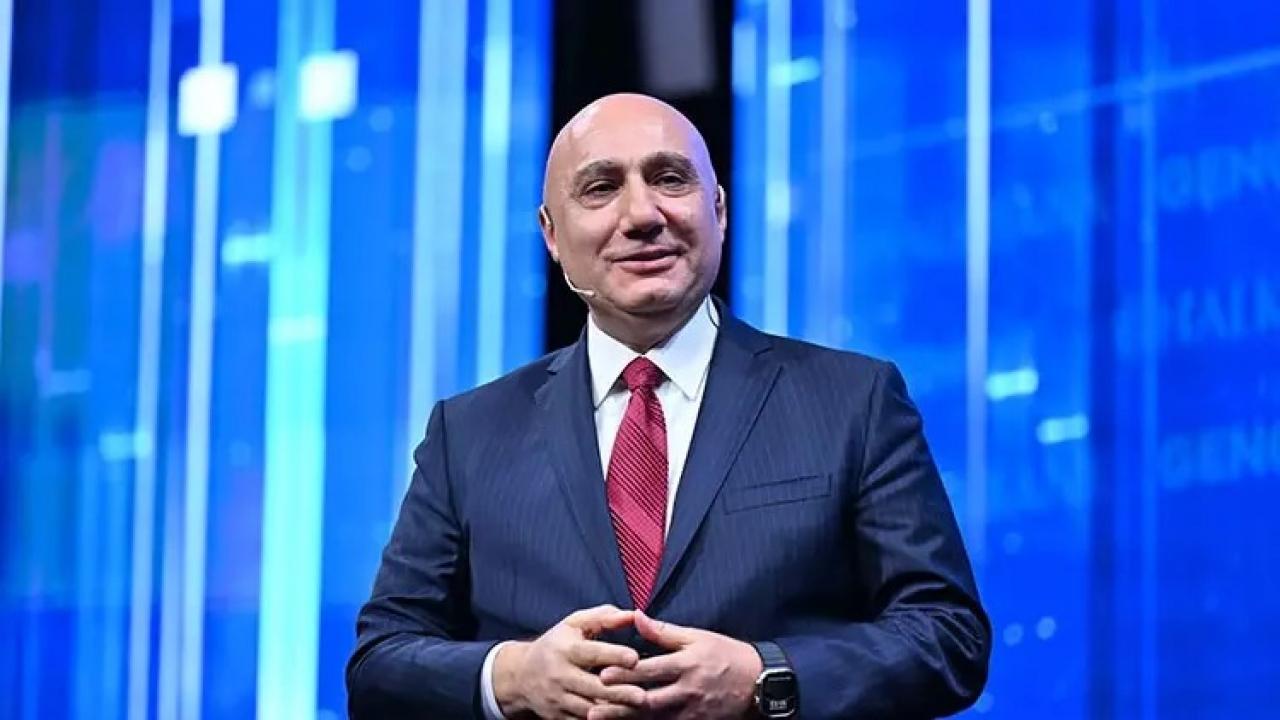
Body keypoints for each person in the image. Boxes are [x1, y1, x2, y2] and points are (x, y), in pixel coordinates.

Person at [346, 93, 990, 719]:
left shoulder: (853, 400)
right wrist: (514, 676)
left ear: (719, 210)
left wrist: (763, 676)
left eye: (670, 179)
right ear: (551, 233)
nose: (642, 214)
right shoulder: (467, 433)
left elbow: (947, 635)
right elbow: (379, 664)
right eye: (601, 188)